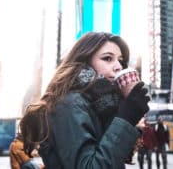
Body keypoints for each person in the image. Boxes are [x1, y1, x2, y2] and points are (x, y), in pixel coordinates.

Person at [19, 32, 150, 168]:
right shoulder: (70, 103)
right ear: (84, 62)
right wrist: (126, 119)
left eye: (121, 61)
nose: (118, 66)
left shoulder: (101, 106)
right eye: (107, 58)